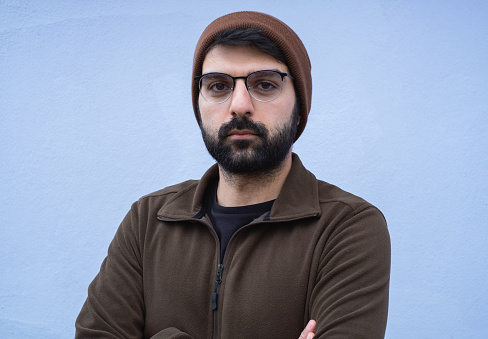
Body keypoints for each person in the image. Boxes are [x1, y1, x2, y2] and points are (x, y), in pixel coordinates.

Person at [75, 11, 391, 339]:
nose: (239, 105)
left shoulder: (348, 227)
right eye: (218, 86)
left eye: (265, 84)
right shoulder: (148, 220)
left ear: (300, 109)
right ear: (198, 108)